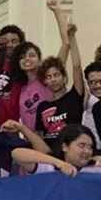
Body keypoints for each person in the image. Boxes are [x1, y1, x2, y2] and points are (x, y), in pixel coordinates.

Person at [35, 23, 85, 152]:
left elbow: (77, 67)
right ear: (45, 81)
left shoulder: (75, 95)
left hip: (73, 154)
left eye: (56, 75)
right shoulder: (42, 106)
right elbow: (39, 137)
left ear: (64, 77)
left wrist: (72, 38)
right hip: (51, 158)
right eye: (48, 77)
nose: (53, 79)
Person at [12, 124, 101, 175]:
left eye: (90, 147)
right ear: (65, 147)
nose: (87, 151)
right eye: (81, 145)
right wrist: (60, 164)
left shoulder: (98, 171)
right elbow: (16, 154)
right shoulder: (48, 168)